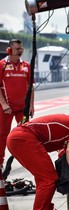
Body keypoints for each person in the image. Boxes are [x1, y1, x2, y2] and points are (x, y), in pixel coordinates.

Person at [0, 39, 34, 169]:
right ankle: (0, 163)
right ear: (9, 50)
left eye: (21, 49)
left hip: (23, 109)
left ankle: (29, 161)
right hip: (6, 108)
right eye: (17, 49)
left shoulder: (26, 65)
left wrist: (31, 105)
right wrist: (4, 104)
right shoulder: (2, 65)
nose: (20, 51)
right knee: (2, 136)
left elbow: (31, 87)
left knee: (27, 135)